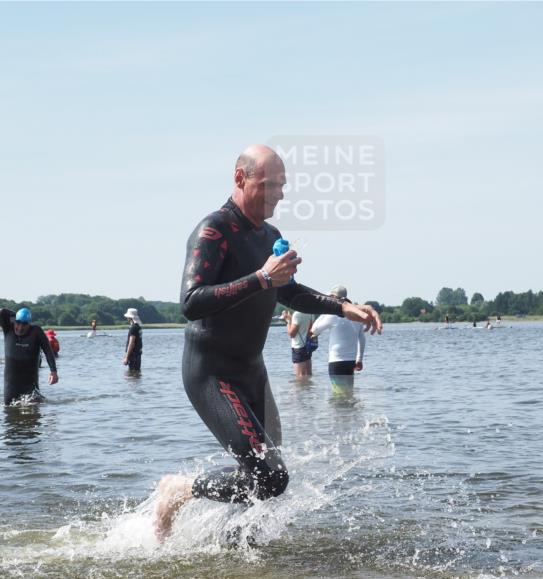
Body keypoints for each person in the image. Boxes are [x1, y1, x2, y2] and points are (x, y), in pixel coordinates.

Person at [152, 144, 382, 541]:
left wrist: (344, 308)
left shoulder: (271, 236)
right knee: (272, 478)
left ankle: (235, 546)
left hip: (251, 372)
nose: (279, 193)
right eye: (270, 184)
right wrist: (260, 278)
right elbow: (190, 302)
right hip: (212, 373)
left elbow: (289, 292)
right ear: (240, 179)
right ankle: (180, 490)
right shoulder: (213, 231)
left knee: (265, 484)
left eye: (282, 185)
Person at [312, 286, 367, 393]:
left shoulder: (333, 315)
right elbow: (362, 338)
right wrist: (359, 359)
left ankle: (340, 410)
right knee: (348, 393)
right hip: (351, 361)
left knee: (339, 396)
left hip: (337, 362)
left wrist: (325, 310)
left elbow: (314, 330)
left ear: (333, 297)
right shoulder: (356, 313)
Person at [0, 307, 58, 405]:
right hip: (11, 386)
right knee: (9, 411)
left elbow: (48, 351)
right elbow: (2, 312)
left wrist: (53, 371)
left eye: (24, 324)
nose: (20, 328)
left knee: (33, 412)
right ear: (14, 321)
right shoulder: (8, 329)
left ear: (29, 324)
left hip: (30, 385)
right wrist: (17, 314)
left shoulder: (36, 332)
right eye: (18, 323)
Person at [282, 308, 316, 379]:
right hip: (308, 346)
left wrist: (288, 321)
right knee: (308, 376)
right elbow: (311, 331)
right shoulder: (311, 312)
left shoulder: (297, 314)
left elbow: (292, 334)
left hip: (298, 347)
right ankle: (310, 390)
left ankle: (300, 390)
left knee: (300, 378)